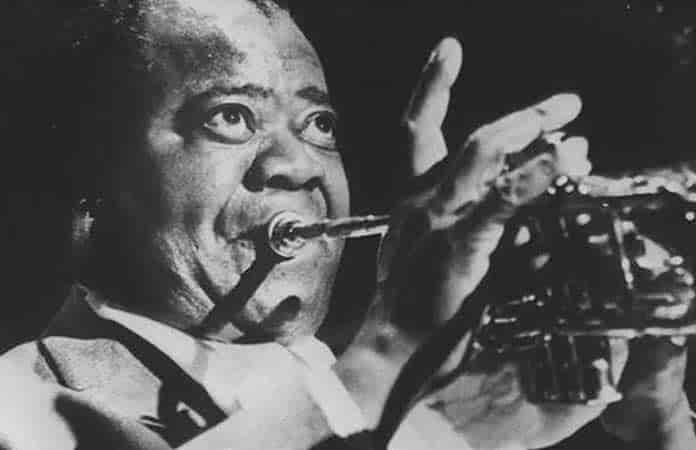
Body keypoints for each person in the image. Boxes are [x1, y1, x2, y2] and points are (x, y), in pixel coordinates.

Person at [0, 0, 694, 449]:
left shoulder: (384, 397)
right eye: (231, 116)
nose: (300, 164)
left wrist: (660, 430)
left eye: (319, 125)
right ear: (89, 183)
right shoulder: (20, 407)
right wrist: (385, 363)